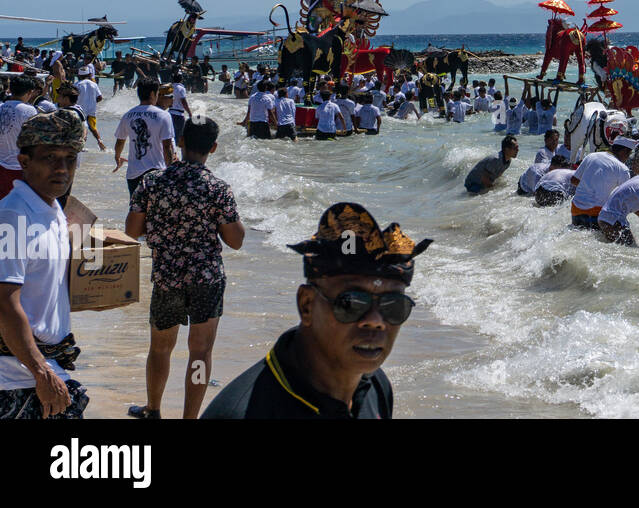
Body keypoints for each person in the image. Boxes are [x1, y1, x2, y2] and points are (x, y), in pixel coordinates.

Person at [201, 202, 430, 419]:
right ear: (306, 305)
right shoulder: (242, 412)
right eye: (351, 302)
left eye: (393, 306)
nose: (375, 321)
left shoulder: (376, 388)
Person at [124, 117, 245, 419]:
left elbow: (131, 231)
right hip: (206, 278)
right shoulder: (218, 189)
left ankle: (153, 410)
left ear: (180, 142)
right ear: (213, 148)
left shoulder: (151, 182)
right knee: (200, 353)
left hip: (167, 278)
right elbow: (236, 241)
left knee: (160, 348)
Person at [0, 111, 89, 419]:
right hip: (15, 382)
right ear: (24, 162)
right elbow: (4, 304)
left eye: (70, 158)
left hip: (45, 370)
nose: (62, 168)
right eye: (50, 157)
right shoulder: (13, 217)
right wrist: (41, 373)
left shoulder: (52, 210)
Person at [113, 81, 177, 196]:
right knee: (155, 210)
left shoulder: (128, 115)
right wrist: (171, 171)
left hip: (133, 174)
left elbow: (120, 141)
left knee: (136, 210)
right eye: (157, 92)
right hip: (156, 172)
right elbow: (167, 147)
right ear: (153, 94)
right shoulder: (163, 115)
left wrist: (117, 157)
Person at [569, 136, 636, 228]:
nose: (628, 158)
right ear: (624, 151)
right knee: (624, 231)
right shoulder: (622, 169)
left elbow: (574, 180)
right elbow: (627, 198)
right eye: (629, 154)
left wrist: (591, 188)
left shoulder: (591, 156)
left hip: (576, 209)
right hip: (596, 214)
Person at [0, 76, 41, 200]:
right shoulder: (28, 111)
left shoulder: (1, 107)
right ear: (29, 92)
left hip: (1, 164)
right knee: (20, 206)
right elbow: (36, 138)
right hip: (19, 166)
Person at [73, 66, 105, 151]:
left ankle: (81, 146)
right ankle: (99, 141)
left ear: (79, 75)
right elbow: (100, 97)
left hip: (79, 111)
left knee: (82, 128)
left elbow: (73, 98)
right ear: (88, 74)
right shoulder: (93, 84)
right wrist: (93, 103)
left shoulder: (76, 85)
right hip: (91, 110)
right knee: (93, 128)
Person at [169, 77, 192, 147]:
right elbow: (184, 102)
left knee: (171, 135)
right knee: (179, 136)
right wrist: (189, 112)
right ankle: (176, 153)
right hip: (178, 115)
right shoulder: (181, 88)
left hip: (170, 113)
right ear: (181, 80)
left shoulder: (170, 88)